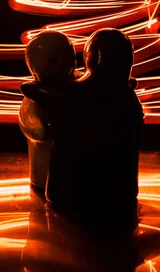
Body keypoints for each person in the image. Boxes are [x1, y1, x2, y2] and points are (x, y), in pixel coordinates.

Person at [22, 28, 144, 238]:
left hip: (71, 198)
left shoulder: (76, 93)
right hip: (120, 196)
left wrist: (32, 90)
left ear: (94, 58)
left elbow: (51, 103)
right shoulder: (129, 98)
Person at [18, 30, 80, 195]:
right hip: (44, 169)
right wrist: (41, 129)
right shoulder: (33, 96)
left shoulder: (80, 88)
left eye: (67, 59)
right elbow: (29, 122)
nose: (62, 65)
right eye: (52, 61)